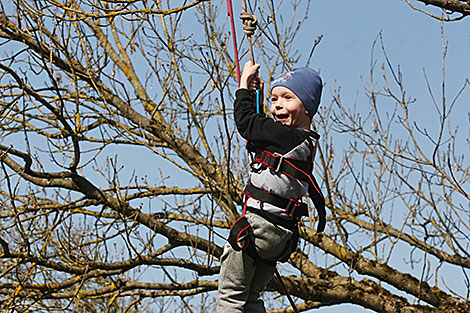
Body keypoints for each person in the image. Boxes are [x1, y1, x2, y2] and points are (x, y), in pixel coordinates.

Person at [217, 61, 325, 313]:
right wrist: (257, 96)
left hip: (259, 227)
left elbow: (247, 123)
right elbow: (261, 130)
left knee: (231, 294)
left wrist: (244, 86)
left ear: (307, 107)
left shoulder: (287, 136)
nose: (278, 104)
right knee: (252, 297)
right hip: (281, 236)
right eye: (274, 98)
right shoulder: (303, 142)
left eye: (288, 98)